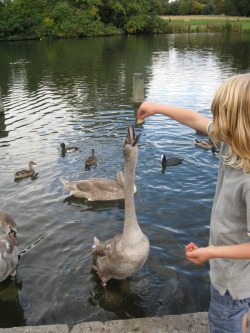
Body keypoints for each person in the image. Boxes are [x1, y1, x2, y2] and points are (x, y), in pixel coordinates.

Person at [137, 73, 250, 333]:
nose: (214, 125)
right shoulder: (231, 142)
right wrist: (157, 108)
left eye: (221, 117)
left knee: (225, 322)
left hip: (232, 280)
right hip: (238, 276)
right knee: (239, 313)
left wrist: (212, 252)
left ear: (238, 124)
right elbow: (196, 121)